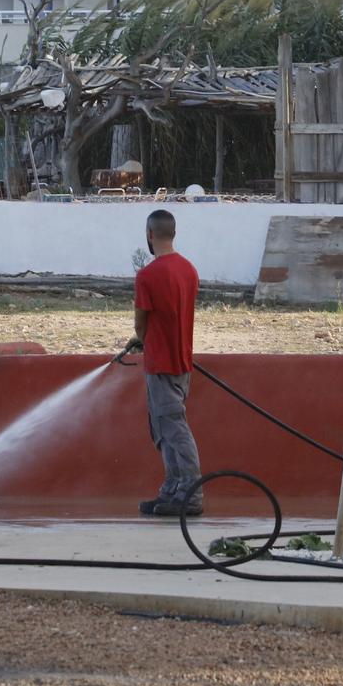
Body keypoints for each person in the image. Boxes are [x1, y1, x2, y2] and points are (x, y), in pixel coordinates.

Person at [130, 209, 202, 517]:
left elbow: (141, 323)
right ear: (173, 233)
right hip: (182, 362)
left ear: (149, 234)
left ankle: (190, 494)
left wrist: (141, 339)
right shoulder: (189, 270)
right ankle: (173, 490)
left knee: (173, 430)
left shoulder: (147, 276)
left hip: (160, 363)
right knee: (166, 428)